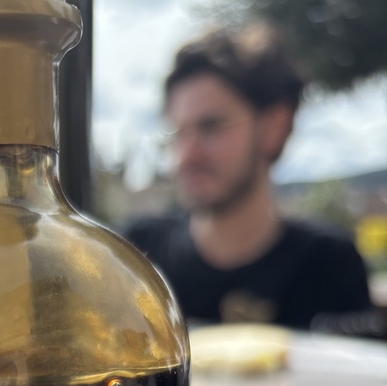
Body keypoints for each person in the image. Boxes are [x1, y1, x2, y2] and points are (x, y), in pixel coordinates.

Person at [123, 25, 375, 331]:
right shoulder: (139, 256)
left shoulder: (329, 266)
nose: (186, 156)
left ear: (274, 127)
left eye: (211, 126)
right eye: (179, 133)